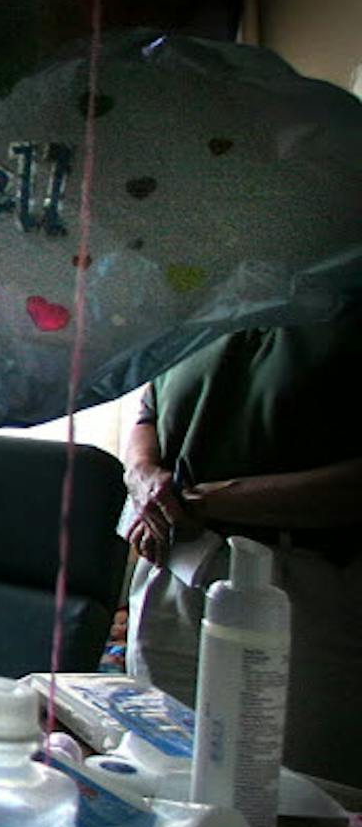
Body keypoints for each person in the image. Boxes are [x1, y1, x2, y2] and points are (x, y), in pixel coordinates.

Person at [122, 315, 362, 785]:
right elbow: (146, 414)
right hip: (175, 568)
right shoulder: (207, 300)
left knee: (284, 796)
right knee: (155, 775)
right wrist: (143, 477)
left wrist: (211, 500)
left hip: (300, 582)